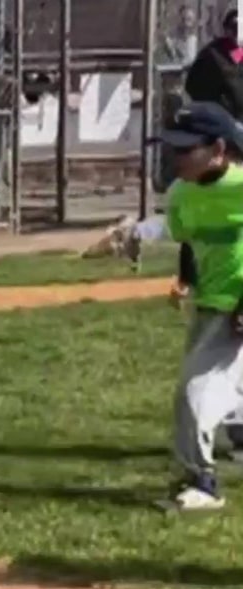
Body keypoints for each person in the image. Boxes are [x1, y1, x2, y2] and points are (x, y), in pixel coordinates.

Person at [146, 101, 243, 511]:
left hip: (235, 305)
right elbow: (191, 238)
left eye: (187, 149)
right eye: (173, 148)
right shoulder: (182, 192)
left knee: (194, 391)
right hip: (210, 302)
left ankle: (202, 481)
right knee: (220, 381)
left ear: (218, 149)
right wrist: (187, 279)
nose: (177, 157)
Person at [184, 9, 243, 118]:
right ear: (226, 30)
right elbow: (193, 86)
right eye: (235, 27)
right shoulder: (212, 54)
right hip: (223, 121)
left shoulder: (238, 54)